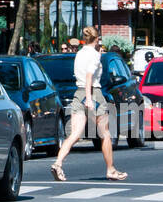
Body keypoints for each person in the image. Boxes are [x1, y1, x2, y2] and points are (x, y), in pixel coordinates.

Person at [51, 26, 126, 183]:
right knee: (105, 133)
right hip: (94, 93)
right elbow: (89, 76)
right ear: (97, 39)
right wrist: (90, 98)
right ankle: (111, 170)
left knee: (75, 134)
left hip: (78, 93)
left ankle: (58, 163)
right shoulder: (95, 55)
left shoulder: (79, 53)